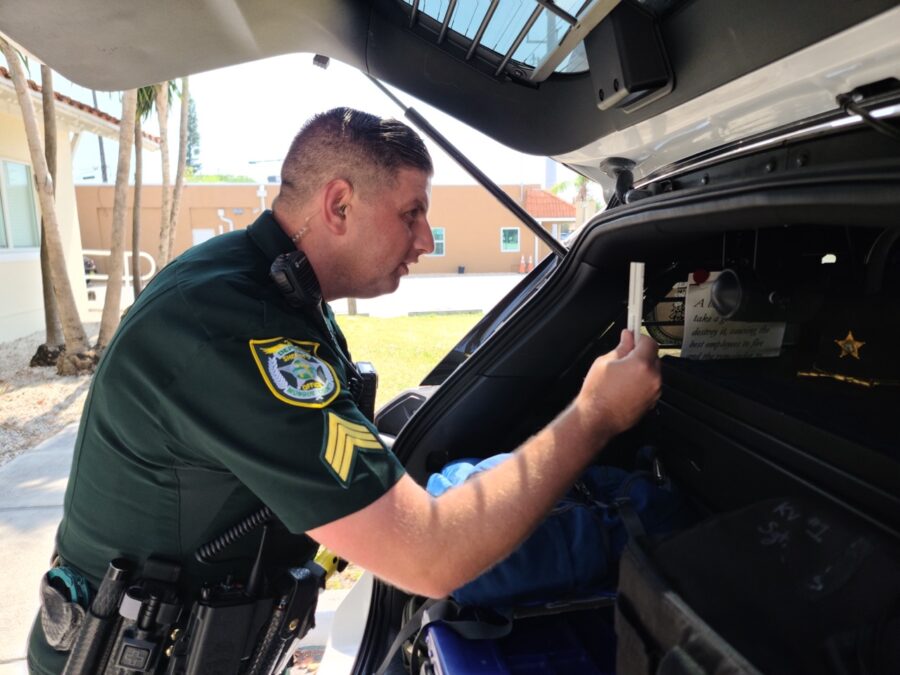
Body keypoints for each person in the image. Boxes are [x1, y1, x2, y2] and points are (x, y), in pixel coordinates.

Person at [28, 107, 660, 674]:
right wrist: (596, 415)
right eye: (412, 213)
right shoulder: (234, 328)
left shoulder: (271, 286)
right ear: (339, 205)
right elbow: (429, 556)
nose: (424, 240)